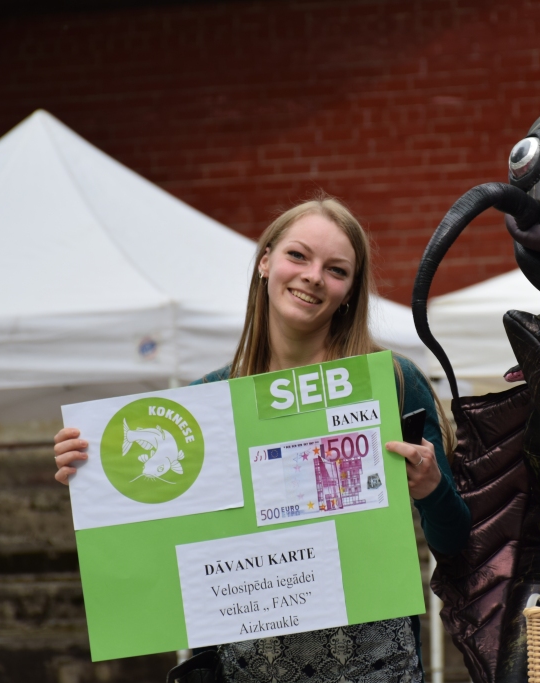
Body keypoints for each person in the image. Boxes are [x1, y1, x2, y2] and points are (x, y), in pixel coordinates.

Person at [54, 196, 471, 683]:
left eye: (336, 269)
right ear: (265, 261)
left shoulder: (393, 382)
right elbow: (157, 546)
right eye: (298, 256)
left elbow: (458, 544)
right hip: (249, 668)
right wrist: (94, 476)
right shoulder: (207, 401)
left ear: (351, 291)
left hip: (374, 667)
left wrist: (432, 489)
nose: (314, 275)